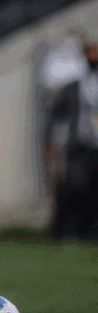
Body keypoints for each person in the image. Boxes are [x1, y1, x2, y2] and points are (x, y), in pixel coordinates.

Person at [45, 29, 98, 240]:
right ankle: (78, 231)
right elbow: (57, 115)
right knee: (79, 188)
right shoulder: (75, 85)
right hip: (82, 144)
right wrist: (52, 143)